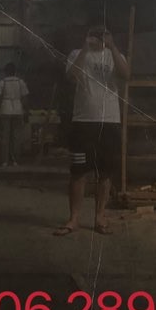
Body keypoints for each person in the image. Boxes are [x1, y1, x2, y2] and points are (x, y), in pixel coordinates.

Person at [55, 25, 130, 236]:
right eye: (94, 33)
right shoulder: (77, 54)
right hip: (83, 121)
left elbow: (126, 75)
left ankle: (100, 217)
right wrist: (85, 47)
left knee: (105, 172)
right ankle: (74, 219)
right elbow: (72, 76)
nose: (98, 37)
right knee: (78, 172)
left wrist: (112, 46)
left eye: (102, 34)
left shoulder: (115, 56)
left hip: (110, 121)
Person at [0, 63, 30, 167]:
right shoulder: (21, 82)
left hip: (5, 110)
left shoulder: (2, 82)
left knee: (5, 137)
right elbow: (25, 99)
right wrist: (26, 111)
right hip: (18, 110)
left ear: (5, 72)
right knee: (16, 137)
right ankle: (15, 160)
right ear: (15, 71)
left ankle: (4, 161)